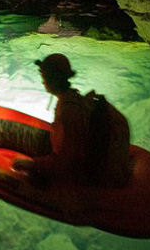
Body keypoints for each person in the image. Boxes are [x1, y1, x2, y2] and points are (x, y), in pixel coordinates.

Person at [13, 53, 131, 188]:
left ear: (53, 79)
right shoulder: (72, 99)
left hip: (90, 176)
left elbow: (67, 161)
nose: (42, 81)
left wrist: (34, 165)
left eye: (44, 77)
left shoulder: (68, 112)